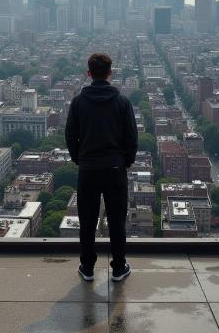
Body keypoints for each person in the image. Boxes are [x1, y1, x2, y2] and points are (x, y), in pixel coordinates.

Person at [65, 52, 138, 282]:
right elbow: (132, 138)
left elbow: (70, 135)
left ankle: (87, 267)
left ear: (88, 73)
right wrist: (124, 161)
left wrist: (80, 159)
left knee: (87, 220)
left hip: (88, 169)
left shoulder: (78, 102)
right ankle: (118, 267)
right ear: (110, 73)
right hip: (115, 169)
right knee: (117, 220)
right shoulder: (122, 102)